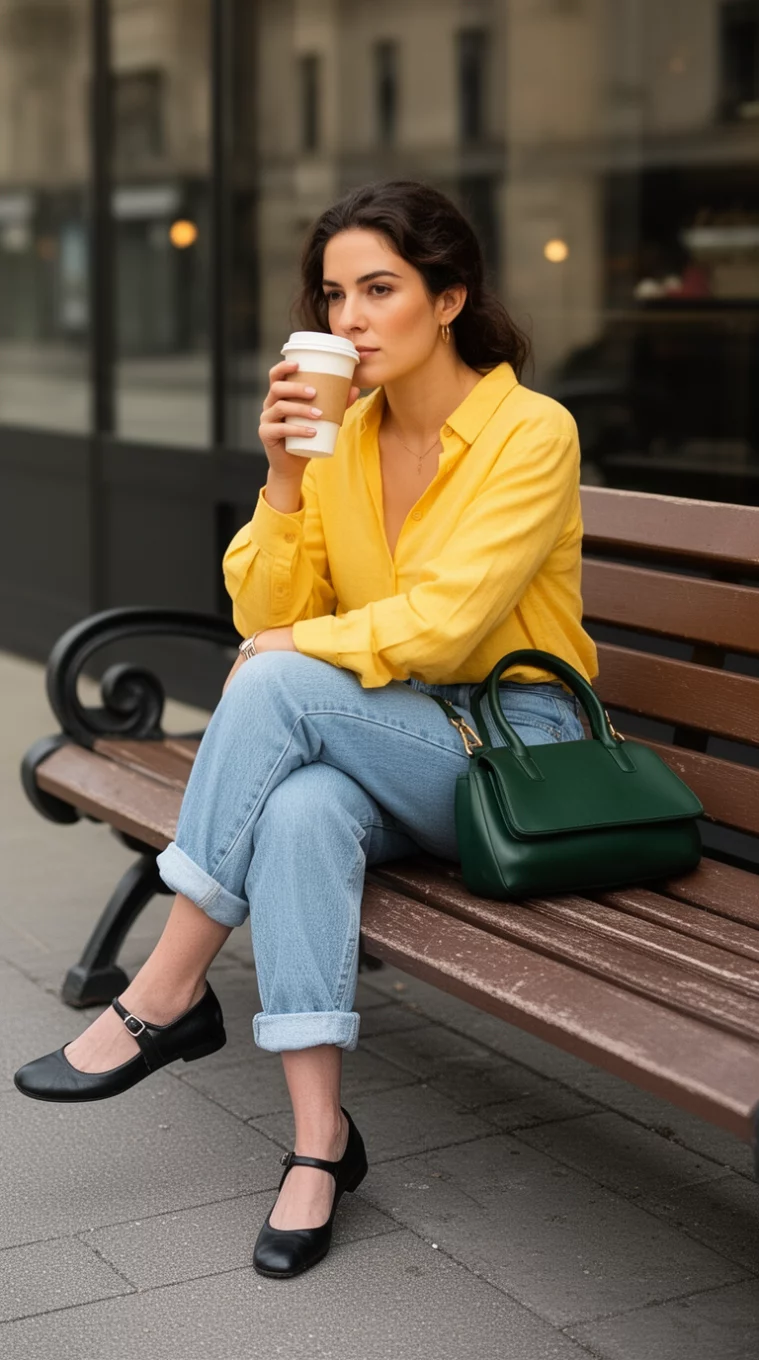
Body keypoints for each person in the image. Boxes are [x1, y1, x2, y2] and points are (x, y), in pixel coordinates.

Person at [14, 180, 598, 1279]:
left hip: (519, 747)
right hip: (402, 738)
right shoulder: (345, 436)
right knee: (297, 803)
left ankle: (167, 990)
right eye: (334, 295)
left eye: (380, 289)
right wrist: (284, 479)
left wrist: (286, 655)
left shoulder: (531, 431)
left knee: (272, 685)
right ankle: (319, 1142)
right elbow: (266, 612)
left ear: (450, 296)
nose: (351, 320)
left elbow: (448, 623)